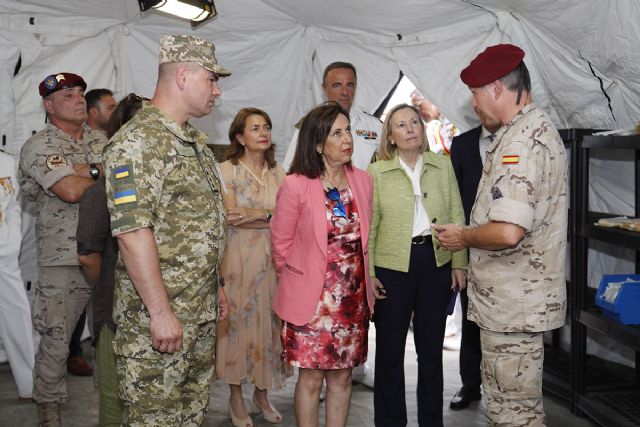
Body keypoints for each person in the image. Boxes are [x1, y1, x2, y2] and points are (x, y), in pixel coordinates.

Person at [433, 44, 568, 426]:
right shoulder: (526, 130)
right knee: (506, 405)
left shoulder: (520, 143)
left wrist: (462, 236)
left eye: (475, 94)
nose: (474, 105)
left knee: (514, 414)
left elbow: (508, 231)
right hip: (511, 303)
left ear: (496, 88)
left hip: (514, 304)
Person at [103, 35, 231, 426]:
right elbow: (132, 232)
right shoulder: (137, 142)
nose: (217, 89)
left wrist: (217, 286)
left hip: (197, 314)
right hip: (156, 326)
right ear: (183, 75)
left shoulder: (193, 142)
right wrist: (160, 313)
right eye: (211, 79)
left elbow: (199, 227)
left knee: (190, 417)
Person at [270, 102, 374, 427]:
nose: (348, 139)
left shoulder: (363, 181)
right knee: (311, 380)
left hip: (351, 302)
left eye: (349, 131)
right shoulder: (296, 184)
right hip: (311, 302)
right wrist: (299, 280)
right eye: (337, 133)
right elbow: (280, 243)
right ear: (318, 144)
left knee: (342, 379)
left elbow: (365, 240)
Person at [368, 103, 467, 426]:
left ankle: (430, 422)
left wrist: (459, 263)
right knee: (389, 353)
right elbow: (370, 227)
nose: (410, 128)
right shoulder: (377, 172)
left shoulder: (441, 164)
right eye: (401, 125)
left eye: (414, 122)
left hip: (434, 262)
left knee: (430, 354)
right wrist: (369, 274)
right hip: (391, 267)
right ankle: (390, 421)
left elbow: (456, 214)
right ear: (391, 137)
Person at [19, 71, 107, 425]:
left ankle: (114, 408)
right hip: (64, 256)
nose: (77, 99)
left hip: (108, 253)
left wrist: (88, 169)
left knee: (111, 338)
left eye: (80, 93)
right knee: (57, 340)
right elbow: (69, 190)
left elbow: (128, 177)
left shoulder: (102, 141)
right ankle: (50, 412)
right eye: (67, 95)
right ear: (48, 105)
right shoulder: (40, 146)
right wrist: (101, 173)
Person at [215, 107, 289, 427]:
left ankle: (261, 393)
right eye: (255, 127)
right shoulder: (225, 170)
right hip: (235, 259)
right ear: (239, 137)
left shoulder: (279, 173)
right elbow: (232, 216)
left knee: (269, 327)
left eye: (267, 127)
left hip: (272, 260)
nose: (263, 132)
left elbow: (289, 218)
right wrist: (270, 214)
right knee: (236, 326)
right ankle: (235, 395)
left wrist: (259, 215)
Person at [77, 93, 147, 427]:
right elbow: (89, 256)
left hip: (161, 316)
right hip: (116, 316)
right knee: (115, 404)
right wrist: (109, 287)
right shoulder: (102, 191)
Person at [448, 110, 500, 411]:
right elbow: (455, 198)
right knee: (471, 318)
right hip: (471, 245)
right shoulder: (463, 144)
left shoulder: (518, 140)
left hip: (511, 246)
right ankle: (470, 384)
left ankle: (503, 387)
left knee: (506, 322)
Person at [283, 62, 382, 172]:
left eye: (350, 85)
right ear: (324, 89)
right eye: (337, 85)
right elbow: (290, 168)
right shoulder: (310, 124)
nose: (345, 92)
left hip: (364, 187)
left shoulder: (374, 126)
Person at [0, 149, 35, 400]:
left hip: (3, 255)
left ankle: (29, 385)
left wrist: (12, 240)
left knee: (18, 316)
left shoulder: (6, 161)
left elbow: (12, 205)